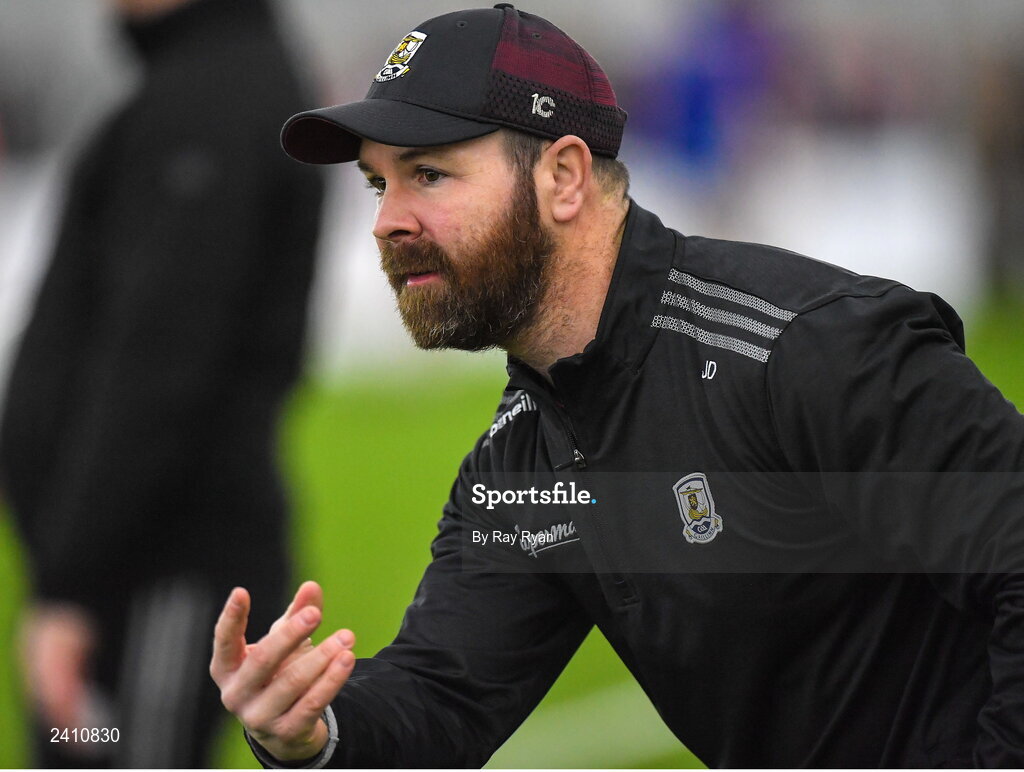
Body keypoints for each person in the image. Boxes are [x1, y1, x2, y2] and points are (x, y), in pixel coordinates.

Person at [210, 4, 1024, 768]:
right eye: (377, 183)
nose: (386, 220)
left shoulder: (803, 347)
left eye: (428, 174)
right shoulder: (525, 463)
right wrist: (313, 728)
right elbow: (442, 694)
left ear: (564, 176)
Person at [0, 0, 323, 766]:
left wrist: (72, 590)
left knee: (127, 759)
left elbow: (159, 368)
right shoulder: (193, 86)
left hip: (157, 576)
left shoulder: (214, 104)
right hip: (129, 572)